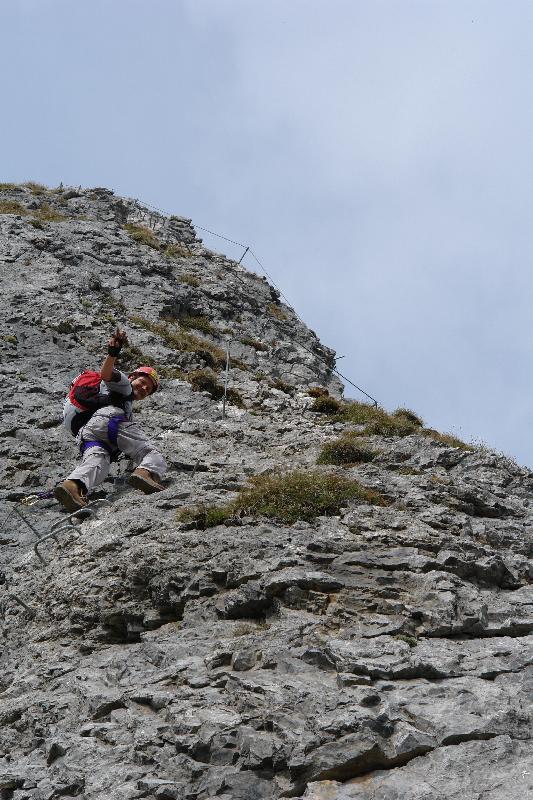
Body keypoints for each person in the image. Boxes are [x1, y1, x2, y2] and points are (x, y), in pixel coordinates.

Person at [54, 329, 166, 512]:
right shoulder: (124, 385)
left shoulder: (126, 403)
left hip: (87, 433)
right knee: (149, 451)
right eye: (143, 382)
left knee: (99, 461)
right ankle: (147, 471)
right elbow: (106, 373)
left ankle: (73, 485)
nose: (144, 388)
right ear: (132, 377)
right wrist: (113, 354)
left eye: (148, 389)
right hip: (109, 420)